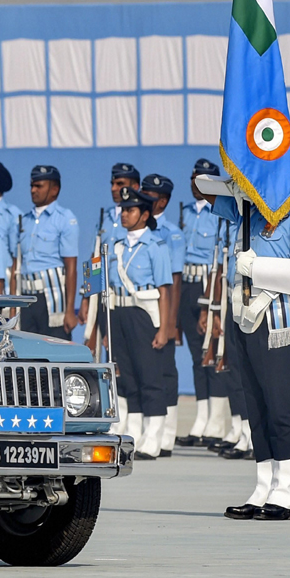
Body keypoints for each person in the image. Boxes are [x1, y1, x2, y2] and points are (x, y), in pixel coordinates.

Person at [202, 161, 290, 521]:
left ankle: (285, 494)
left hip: (276, 317)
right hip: (244, 316)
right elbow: (202, 187)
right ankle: (262, 487)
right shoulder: (247, 214)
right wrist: (240, 177)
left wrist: (262, 268)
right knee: (256, 406)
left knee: (280, 406)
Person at [105, 186, 174, 460]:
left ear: (144, 214)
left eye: (130, 210)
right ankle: (133, 434)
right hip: (119, 313)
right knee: (128, 378)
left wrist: (165, 328)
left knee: (150, 377)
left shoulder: (156, 246)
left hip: (143, 315)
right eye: (123, 210)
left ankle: (154, 437)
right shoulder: (117, 246)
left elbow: (165, 289)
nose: (124, 215)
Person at [176, 159, 232, 448]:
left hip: (209, 285)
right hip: (186, 284)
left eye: (202, 178)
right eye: (193, 177)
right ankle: (202, 416)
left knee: (213, 351)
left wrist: (211, 301)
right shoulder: (185, 213)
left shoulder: (221, 212)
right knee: (197, 356)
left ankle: (217, 420)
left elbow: (219, 259)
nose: (195, 182)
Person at [141, 173, 185, 456]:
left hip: (162, 308)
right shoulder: (136, 227)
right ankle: (145, 429)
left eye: (152, 195)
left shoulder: (172, 233)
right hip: (139, 309)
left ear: (164, 201)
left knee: (165, 371)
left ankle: (167, 434)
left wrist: (170, 323)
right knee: (143, 370)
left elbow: (175, 281)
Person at [12, 165, 78, 339]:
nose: (33, 190)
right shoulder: (24, 221)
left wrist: (70, 310)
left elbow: (71, 267)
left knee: (56, 352)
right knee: (27, 353)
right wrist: (13, 307)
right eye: (32, 186)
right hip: (26, 296)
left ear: (54, 189)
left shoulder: (64, 218)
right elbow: (15, 266)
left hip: (51, 296)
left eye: (39, 186)